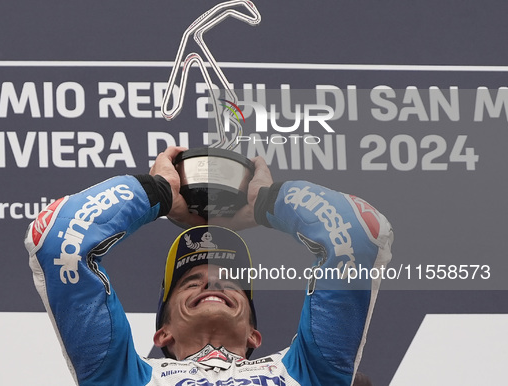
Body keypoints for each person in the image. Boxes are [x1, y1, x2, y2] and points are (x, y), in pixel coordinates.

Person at [24, 146, 393, 386]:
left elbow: (357, 239)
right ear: (162, 333)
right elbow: (60, 245)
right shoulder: (123, 378)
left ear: (254, 334)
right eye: (190, 281)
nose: (213, 283)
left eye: (232, 282)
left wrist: (265, 201)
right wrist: (158, 191)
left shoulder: (307, 372)